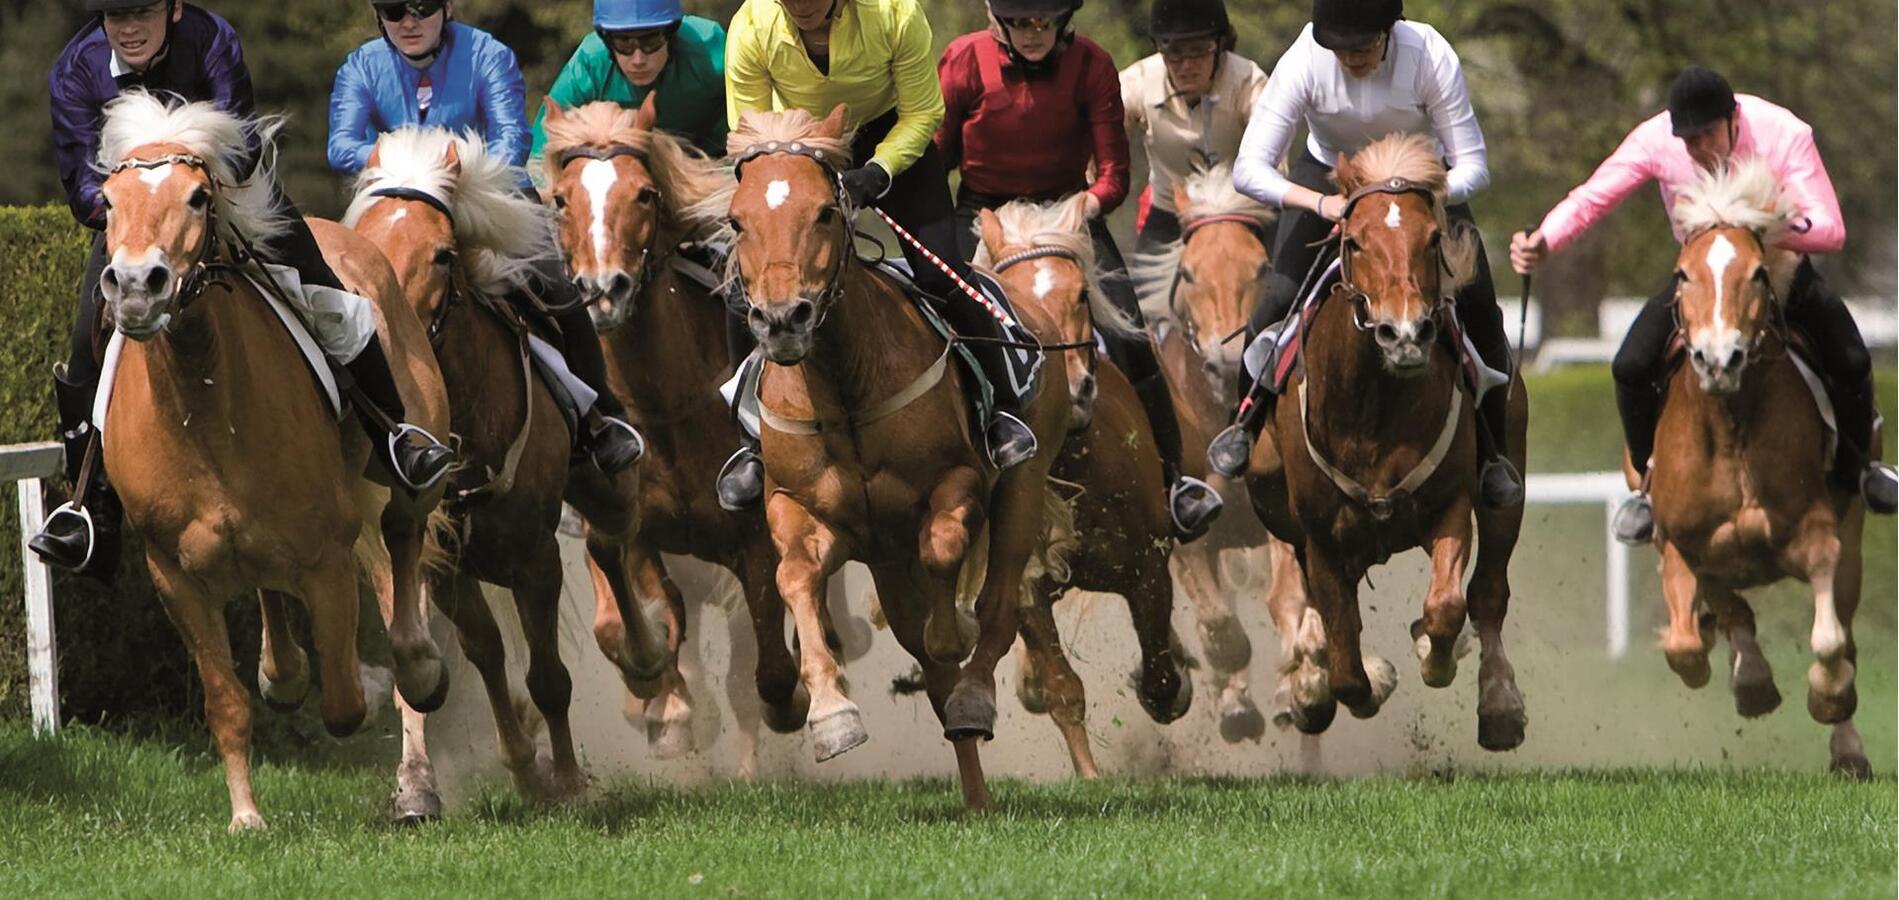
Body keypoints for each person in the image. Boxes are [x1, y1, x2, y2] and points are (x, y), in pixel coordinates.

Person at [33, 0, 453, 576]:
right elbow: (82, 187)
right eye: (115, 17)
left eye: (142, 13)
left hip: (230, 194)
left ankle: (395, 436)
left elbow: (244, 145)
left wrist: (188, 179)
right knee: (86, 343)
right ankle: (89, 510)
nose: (128, 29)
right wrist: (137, 198)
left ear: (173, 10)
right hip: (136, 219)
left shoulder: (212, 39)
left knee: (326, 296)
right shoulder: (73, 70)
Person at [1511, 66, 1898, 541]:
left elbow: (1831, 229)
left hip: (1775, 270)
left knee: (1852, 359)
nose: (1697, 149)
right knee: (1630, 365)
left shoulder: (1784, 132)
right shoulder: (1654, 139)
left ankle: (1862, 471)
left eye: (1707, 135)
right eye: (1687, 140)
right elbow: (1593, 197)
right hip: (1703, 276)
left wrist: (1765, 224)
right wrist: (1544, 240)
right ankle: (1646, 483)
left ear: (1734, 119)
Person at [723, 0, 1041, 504]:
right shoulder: (749, 26)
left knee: (941, 273)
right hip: (795, 149)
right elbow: (748, 138)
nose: (800, 5)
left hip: (893, 140)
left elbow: (924, 112)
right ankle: (749, 443)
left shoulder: (896, 13)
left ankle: (1001, 410)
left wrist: (877, 171)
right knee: (744, 293)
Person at [1211, 0, 1524, 511]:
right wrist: (1323, 204)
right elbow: (1249, 169)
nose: (1350, 58)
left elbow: (1472, 164)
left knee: (1482, 310)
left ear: (1389, 31)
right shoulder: (1304, 59)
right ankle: (1243, 424)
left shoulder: (1429, 54)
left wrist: (1415, 197)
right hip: (1332, 181)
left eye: (1363, 47)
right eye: (1339, 49)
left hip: (1421, 185)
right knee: (1277, 301)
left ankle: (1492, 455)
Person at [936, 0, 1222, 541]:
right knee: (941, 326)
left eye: (1043, 22)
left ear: (1062, 20)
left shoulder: (1092, 65)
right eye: (1020, 23)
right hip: (983, 213)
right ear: (1000, 22)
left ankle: (1175, 481)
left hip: (1068, 211)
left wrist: (1082, 208)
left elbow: (1113, 174)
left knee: (1130, 335)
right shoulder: (963, 61)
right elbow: (938, 156)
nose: (1033, 33)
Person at [330, 0, 645, 476]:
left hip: (487, 200)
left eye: (422, 7)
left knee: (557, 289)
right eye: (394, 10)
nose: (409, 21)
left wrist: (459, 172)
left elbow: (512, 141)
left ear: (447, 8)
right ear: (380, 17)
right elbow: (341, 145)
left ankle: (601, 417)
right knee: (336, 289)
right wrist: (412, 165)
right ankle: (336, 414)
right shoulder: (360, 65)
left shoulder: (488, 54)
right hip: (400, 202)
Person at [1119, 0, 1267, 256]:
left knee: (1282, 282)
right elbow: (1098, 149)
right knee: (1138, 284)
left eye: (1199, 51)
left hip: (1242, 212)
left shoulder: (1249, 82)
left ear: (1220, 46)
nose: (1186, 66)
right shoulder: (1136, 82)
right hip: (1169, 212)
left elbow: (1272, 161)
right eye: (1174, 52)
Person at [527, 0, 729, 171]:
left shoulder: (710, 49)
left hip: (711, 164)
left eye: (650, 41)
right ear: (607, 40)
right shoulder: (590, 62)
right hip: (617, 171)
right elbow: (540, 153)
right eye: (624, 43)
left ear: (671, 33)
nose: (638, 59)